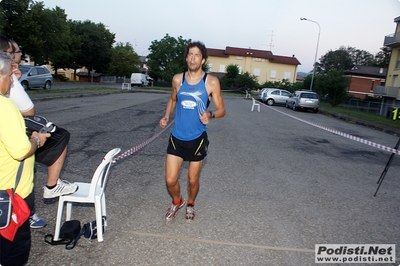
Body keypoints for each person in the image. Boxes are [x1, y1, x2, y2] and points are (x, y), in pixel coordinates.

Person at [0, 35, 78, 228]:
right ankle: (43, 193)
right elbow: (28, 110)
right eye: (15, 51)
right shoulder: (4, 103)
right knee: (56, 138)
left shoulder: (10, 77)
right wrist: (36, 140)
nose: (18, 55)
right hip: (10, 170)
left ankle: (28, 211)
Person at [159, 41, 226, 222]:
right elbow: (173, 99)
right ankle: (177, 201)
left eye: (197, 55)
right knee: (171, 180)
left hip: (197, 139)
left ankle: (190, 203)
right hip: (177, 137)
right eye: (190, 54)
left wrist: (211, 114)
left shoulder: (211, 82)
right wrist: (166, 115)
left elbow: (222, 109)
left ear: (202, 59)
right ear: (186, 57)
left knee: (192, 180)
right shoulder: (177, 79)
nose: (193, 58)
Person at [0, 51, 50, 266]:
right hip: (10, 195)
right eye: (9, 77)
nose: (12, 82)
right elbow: (20, 151)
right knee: (14, 253)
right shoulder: (4, 106)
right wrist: (37, 140)